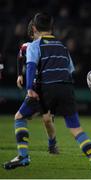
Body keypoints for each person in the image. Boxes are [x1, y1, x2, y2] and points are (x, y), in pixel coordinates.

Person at [3, 12, 91, 172]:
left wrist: (30, 89)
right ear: (51, 28)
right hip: (67, 88)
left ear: (34, 28)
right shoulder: (63, 47)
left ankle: (23, 156)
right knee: (75, 129)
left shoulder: (34, 45)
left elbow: (31, 66)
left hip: (46, 88)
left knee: (19, 118)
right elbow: (70, 70)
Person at [16, 20, 59, 154]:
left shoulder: (50, 47)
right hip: (34, 90)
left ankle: (52, 144)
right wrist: (19, 75)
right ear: (33, 32)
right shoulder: (27, 47)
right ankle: (23, 153)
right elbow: (20, 57)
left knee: (47, 120)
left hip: (48, 89)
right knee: (19, 117)